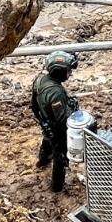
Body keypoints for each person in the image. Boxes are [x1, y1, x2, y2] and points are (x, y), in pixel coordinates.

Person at [31, 51, 78, 192]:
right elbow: (64, 119)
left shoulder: (40, 79)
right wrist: (73, 109)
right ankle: (57, 187)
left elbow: (33, 103)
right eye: (68, 71)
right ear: (58, 72)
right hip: (57, 128)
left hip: (45, 121)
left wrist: (42, 119)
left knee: (47, 139)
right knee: (60, 156)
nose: (70, 74)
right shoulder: (56, 92)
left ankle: (42, 161)